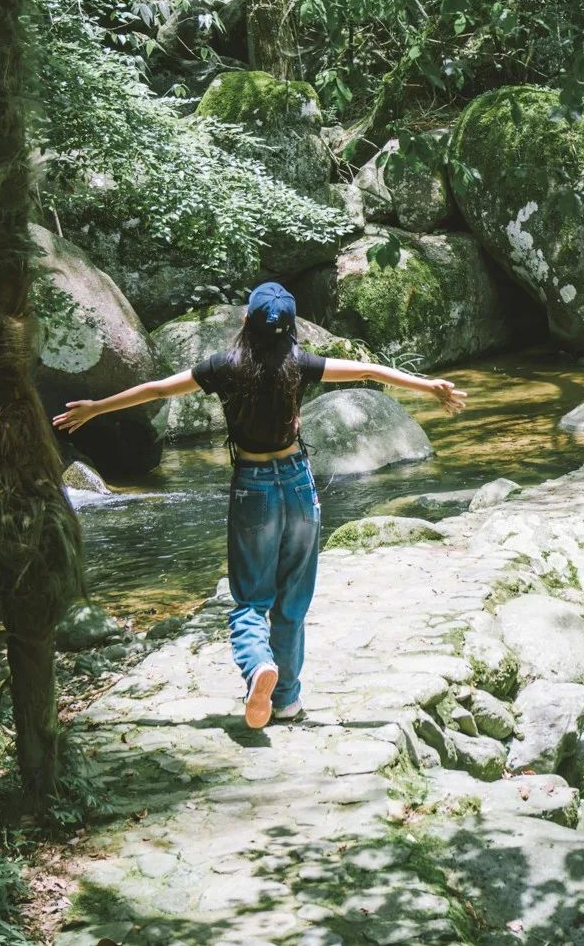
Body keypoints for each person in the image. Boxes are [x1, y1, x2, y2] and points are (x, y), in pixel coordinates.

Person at [53, 281, 467, 729]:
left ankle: (257, 668)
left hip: (253, 487)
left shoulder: (223, 368)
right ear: (290, 331)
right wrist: (429, 386)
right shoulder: (300, 364)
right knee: (292, 601)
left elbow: (156, 390)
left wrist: (97, 407)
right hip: (298, 484)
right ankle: (286, 699)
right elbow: (373, 373)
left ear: (246, 322)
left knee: (251, 599)